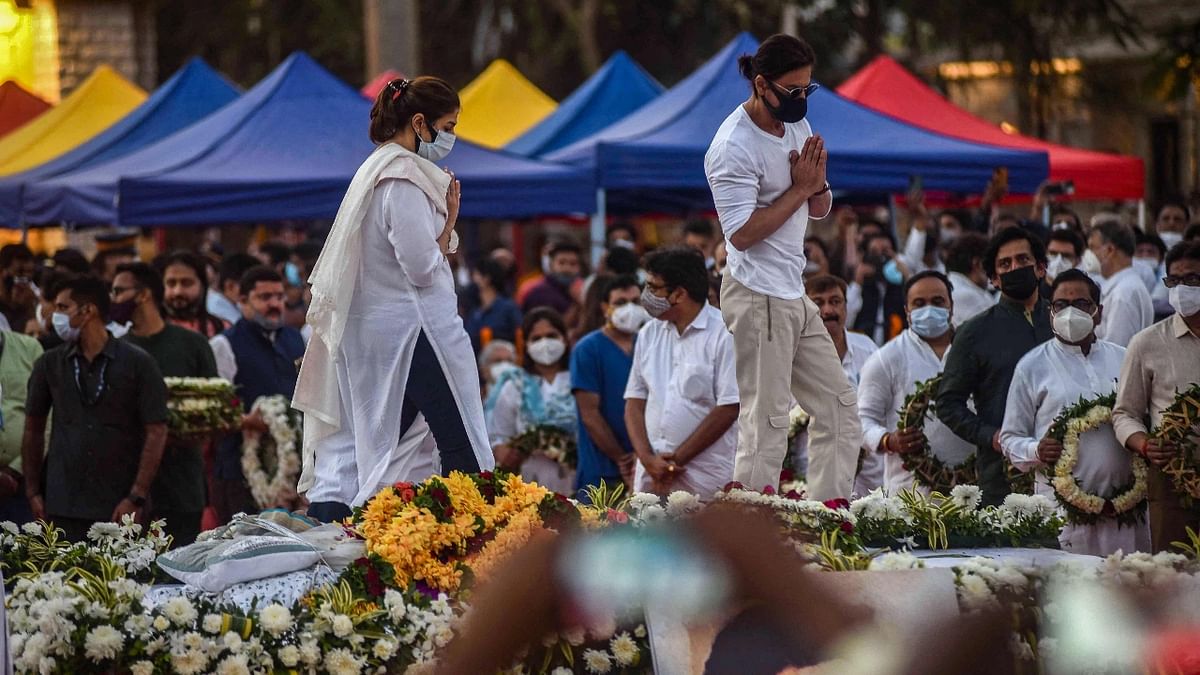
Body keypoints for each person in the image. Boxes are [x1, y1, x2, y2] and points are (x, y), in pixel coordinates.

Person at [295, 77, 494, 523]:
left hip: (381, 332)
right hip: (415, 329)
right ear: (419, 122)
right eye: (448, 125)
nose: (451, 137)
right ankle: (480, 532)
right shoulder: (402, 178)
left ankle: (351, 527)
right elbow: (421, 267)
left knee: (384, 443)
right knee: (457, 434)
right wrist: (449, 226)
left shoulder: (375, 169)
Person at [704, 34, 859, 500]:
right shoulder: (731, 146)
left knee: (837, 407)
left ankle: (830, 516)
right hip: (754, 292)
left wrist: (816, 187)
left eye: (807, 90)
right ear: (760, 84)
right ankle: (751, 531)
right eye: (792, 91)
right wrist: (800, 188)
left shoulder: (797, 124)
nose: (800, 100)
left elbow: (818, 208)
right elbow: (742, 235)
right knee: (767, 418)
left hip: (792, 290)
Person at [999, 269, 1147, 555]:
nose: (1070, 312)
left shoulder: (1125, 358)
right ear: (1050, 312)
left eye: (1081, 304)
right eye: (1060, 305)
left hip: (1128, 510)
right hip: (1062, 512)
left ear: (1098, 312)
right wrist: (1036, 450)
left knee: (1133, 588)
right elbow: (1010, 438)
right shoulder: (1031, 366)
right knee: (1067, 592)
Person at [22, 276, 168, 541]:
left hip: (119, 503)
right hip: (62, 503)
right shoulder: (49, 364)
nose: (55, 316)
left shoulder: (138, 363)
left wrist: (136, 496)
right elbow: (33, 428)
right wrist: (33, 492)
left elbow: (156, 431)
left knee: (122, 581)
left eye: (63, 308)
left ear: (88, 311)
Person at [937, 227, 1053, 505]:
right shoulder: (975, 332)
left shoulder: (1062, 322)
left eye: (1023, 260)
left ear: (1040, 268)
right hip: (1003, 473)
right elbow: (948, 403)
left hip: (1066, 468)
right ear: (994, 279)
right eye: (1005, 264)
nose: (1015, 268)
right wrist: (991, 436)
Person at [114, 263, 218, 546]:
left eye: (119, 291)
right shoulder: (116, 349)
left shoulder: (193, 345)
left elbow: (216, 413)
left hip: (182, 486)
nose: (113, 299)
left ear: (143, 295)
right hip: (125, 489)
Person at [625, 247, 739, 498]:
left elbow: (729, 407)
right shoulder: (649, 333)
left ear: (678, 294)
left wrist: (675, 462)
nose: (646, 294)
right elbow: (634, 401)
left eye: (654, 287)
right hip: (650, 475)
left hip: (703, 477)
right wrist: (647, 459)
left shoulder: (724, 334)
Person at [1113, 241, 1200, 551]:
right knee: (1174, 571)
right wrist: (1146, 445)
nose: (1181, 289)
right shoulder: (1146, 343)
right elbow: (1124, 413)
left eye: (1191, 280)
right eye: (1173, 281)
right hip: (1172, 475)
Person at [859, 271, 974, 494]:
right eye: (919, 303)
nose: (929, 309)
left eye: (938, 301)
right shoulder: (887, 358)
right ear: (907, 311)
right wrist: (888, 440)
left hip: (972, 491)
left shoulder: (974, 350)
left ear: (951, 305)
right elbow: (862, 420)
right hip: (909, 494)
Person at [570, 274, 648, 498]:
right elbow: (590, 415)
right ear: (605, 307)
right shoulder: (588, 349)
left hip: (645, 464)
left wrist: (641, 456)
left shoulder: (647, 343)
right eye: (621, 303)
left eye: (635, 302)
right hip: (602, 470)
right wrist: (622, 459)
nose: (630, 309)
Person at [485, 308, 576, 495]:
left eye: (551, 335)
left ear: (565, 339)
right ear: (525, 344)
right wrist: (506, 453)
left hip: (577, 479)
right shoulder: (516, 385)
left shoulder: (579, 379)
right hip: (529, 483)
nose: (545, 343)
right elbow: (498, 434)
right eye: (536, 338)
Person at [805, 275, 878, 493]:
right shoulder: (793, 356)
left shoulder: (868, 349)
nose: (827, 311)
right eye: (818, 303)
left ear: (846, 307)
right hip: (813, 467)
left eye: (835, 301)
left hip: (869, 471)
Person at [1088, 217, 1153, 348]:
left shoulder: (1123, 294)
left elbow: (1117, 350)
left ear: (1110, 250)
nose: (1088, 254)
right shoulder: (1124, 288)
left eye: (1092, 248)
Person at [0, 327, 42, 523]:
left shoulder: (29, 348)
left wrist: (16, 469)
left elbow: (48, 416)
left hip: (25, 483)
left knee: (23, 551)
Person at [849, 231, 908, 345]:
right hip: (863, 347)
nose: (880, 257)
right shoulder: (860, 287)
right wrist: (857, 282)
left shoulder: (901, 286)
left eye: (885, 251)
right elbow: (848, 318)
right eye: (874, 252)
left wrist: (906, 276)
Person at [157, 250, 230, 339]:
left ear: (202, 286)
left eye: (187, 283)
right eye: (171, 283)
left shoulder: (221, 330)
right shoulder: (148, 330)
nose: (178, 291)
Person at [464, 257, 523, 353]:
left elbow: (519, 337)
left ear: (486, 279)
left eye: (476, 275)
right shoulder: (475, 312)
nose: (473, 280)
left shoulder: (508, 308)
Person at [943, 232, 996, 327]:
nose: (993, 273)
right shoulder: (971, 297)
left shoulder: (945, 287)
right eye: (990, 265)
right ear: (977, 264)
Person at [521, 240, 583, 317]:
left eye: (573, 264)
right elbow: (546, 327)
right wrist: (576, 304)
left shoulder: (583, 290)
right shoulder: (539, 293)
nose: (567, 268)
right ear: (551, 265)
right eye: (561, 262)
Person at [208, 253, 259, 326]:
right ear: (230, 286)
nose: (257, 292)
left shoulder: (235, 304)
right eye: (252, 287)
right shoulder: (218, 314)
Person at [1135, 231, 1173, 319]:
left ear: (1161, 257)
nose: (1145, 255)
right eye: (1140, 251)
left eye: (1151, 252)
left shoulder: (1170, 278)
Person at [0, 244, 36, 332]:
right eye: (20, 272)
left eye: (30, 272)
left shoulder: (31, 299)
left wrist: (28, 307)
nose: (25, 279)